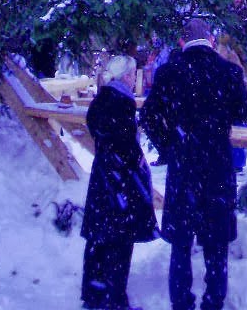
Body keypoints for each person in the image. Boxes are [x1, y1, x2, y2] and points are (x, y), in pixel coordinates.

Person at [140, 19, 247, 310]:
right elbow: (243, 112)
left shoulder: (169, 73)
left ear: (182, 42)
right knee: (216, 246)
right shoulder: (229, 72)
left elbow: (149, 116)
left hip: (184, 170)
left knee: (181, 243)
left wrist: (170, 145)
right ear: (211, 41)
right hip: (217, 168)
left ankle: (182, 302)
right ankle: (214, 301)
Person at [80, 54, 156, 310]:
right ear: (126, 75)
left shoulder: (101, 99)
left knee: (98, 239)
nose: (133, 78)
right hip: (120, 181)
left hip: (103, 178)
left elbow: (99, 132)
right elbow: (125, 144)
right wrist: (137, 165)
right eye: (132, 73)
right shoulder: (122, 101)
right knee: (119, 242)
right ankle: (115, 299)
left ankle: (93, 294)